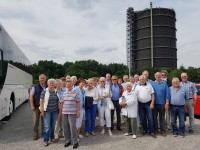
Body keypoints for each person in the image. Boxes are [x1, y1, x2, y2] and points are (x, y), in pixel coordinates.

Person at [59, 79, 80, 149]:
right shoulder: (64, 93)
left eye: (70, 84)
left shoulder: (75, 92)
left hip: (72, 112)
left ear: (72, 85)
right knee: (65, 127)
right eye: (67, 85)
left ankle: (75, 142)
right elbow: (62, 103)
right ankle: (67, 141)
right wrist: (61, 112)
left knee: (73, 127)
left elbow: (78, 102)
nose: (68, 86)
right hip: (64, 112)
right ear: (66, 85)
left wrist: (78, 111)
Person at [40, 79, 60, 147]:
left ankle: (51, 138)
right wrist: (42, 111)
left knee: (53, 126)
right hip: (47, 111)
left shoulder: (56, 91)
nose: (51, 84)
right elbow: (41, 101)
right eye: (50, 83)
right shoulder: (45, 91)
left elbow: (59, 101)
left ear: (54, 84)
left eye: (52, 83)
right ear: (48, 84)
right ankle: (46, 140)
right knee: (47, 126)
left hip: (55, 111)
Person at [151, 72, 170, 137]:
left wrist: (167, 103)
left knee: (162, 118)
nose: (158, 77)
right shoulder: (152, 84)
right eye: (156, 76)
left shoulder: (164, 84)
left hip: (162, 104)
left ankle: (163, 130)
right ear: (155, 76)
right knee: (154, 118)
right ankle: (156, 129)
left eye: (159, 76)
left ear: (161, 77)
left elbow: (167, 94)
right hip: (154, 104)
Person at [29, 74, 47, 140]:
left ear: (45, 79)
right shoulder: (35, 87)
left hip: (45, 107)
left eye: (43, 78)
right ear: (39, 79)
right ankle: (35, 134)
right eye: (41, 78)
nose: (42, 79)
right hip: (36, 107)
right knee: (36, 121)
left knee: (44, 121)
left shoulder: (48, 86)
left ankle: (43, 132)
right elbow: (31, 97)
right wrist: (32, 105)